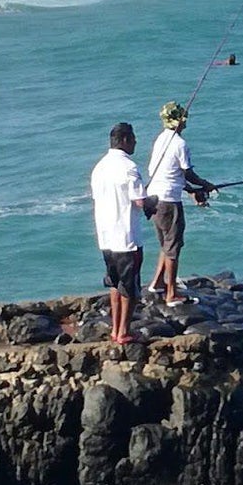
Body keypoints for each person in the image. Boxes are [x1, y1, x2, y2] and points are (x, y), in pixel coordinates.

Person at [145, 100, 216, 304]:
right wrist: (205, 185)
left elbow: (168, 174)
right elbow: (187, 173)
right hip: (169, 202)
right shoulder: (180, 144)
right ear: (179, 122)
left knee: (166, 243)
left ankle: (157, 283)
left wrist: (192, 191)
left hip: (154, 199)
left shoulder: (161, 140)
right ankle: (171, 293)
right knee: (173, 247)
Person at [90, 121, 147, 344]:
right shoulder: (129, 167)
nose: (135, 142)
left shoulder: (99, 167)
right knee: (130, 286)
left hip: (105, 236)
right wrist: (153, 202)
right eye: (133, 138)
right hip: (126, 236)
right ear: (124, 140)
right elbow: (140, 201)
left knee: (114, 284)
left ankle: (116, 329)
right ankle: (123, 332)